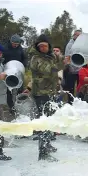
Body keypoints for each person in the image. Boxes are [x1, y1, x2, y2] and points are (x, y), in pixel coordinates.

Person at [25, 34, 66, 162]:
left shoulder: (50, 55)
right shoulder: (35, 58)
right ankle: (42, 153)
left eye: (45, 45)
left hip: (51, 92)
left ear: (49, 46)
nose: (42, 48)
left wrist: (65, 58)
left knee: (50, 119)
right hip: (40, 94)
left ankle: (47, 144)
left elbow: (59, 59)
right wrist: (62, 64)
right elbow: (49, 70)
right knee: (44, 121)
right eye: (40, 46)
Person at [3, 34, 27, 115]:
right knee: (8, 90)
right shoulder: (5, 48)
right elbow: (2, 59)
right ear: (11, 42)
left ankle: (20, 105)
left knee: (20, 89)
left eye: (17, 44)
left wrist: (24, 65)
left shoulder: (20, 49)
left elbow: (24, 59)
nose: (15, 45)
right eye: (14, 44)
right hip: (8, 72)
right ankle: (11, 107)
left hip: (18, 71)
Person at [63, 30, 82, 104]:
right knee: (70, 88)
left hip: (80, 70)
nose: (78, 37)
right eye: (76, 35)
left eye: (79, 36)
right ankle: (70, 102)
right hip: (71, 70)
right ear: (74, 35)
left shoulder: (82, 44)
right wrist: (68, 67)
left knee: (79, 87)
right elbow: (67, 57)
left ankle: (79, 102)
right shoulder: (70, 44)